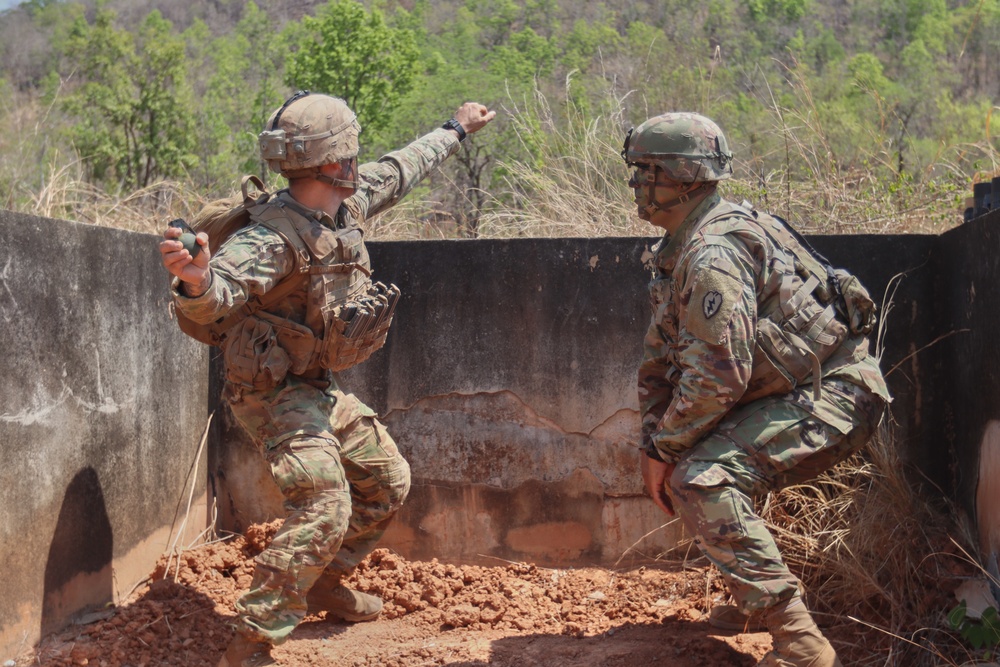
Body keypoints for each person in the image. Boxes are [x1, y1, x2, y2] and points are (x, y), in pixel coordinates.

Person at [160, 91, 496, 667]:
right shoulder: (270, 239)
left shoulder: (349, 205)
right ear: (339, 161)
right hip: (269, 393)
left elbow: (406, 164)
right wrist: (194, 282)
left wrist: (457, 129)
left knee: (387, 480)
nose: (362, 161)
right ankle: (251, 641)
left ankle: (323, 580)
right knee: (323, 503)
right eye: (354, 152)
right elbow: (215, 300)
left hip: (315, 385)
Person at [623, 112, 889, 667]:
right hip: (794, 390)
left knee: (703, 477)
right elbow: (663, 356)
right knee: (699, 458)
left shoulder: (713, 253)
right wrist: (656, 436)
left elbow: (717, 375)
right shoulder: (690, 239)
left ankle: (800, 643)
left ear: (684, 177)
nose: (636, 183)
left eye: (645, 170)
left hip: (834, 394)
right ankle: (752, 601)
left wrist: (663, 450)